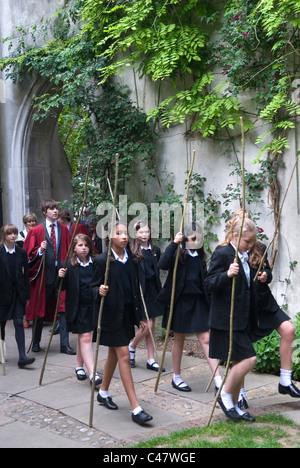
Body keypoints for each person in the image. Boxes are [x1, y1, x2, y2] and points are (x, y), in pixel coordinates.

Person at [225, 210, 300, 408]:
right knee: (241, 353)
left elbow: (267, 269)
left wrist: (265, 275)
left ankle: (285, 380)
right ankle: (239, 394)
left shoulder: (259, 247)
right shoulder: (227, 250)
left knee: (289, 330)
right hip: (244, 307)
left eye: (248, 216)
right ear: (235, 227)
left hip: (264, 302)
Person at [90, 220, 153, 425]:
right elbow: (90, 288)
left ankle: (103, 392)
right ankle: (136, 408)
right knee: (124, 355)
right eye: (119, 233)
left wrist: (141, 316)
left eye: (126, 233)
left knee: (113, 354)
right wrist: (98, 291)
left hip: (126, 315)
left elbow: (137, 290)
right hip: (109, 316)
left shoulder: (133, 260)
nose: (124, 237)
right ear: (109, 237)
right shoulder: (102, 261)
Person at [157, 222, 222, 393]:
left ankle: (218, 379)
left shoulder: (200, 255)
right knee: (179, 339)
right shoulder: (178, 252)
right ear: (185, 237)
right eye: (193, 238)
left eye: (198, 238)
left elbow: (204, 279)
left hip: (198, 302)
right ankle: (176, 377)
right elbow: (161, 265)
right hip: (180, 302)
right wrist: (174, 243)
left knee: (206, 339)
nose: (196, 241)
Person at [205, 217, 259, 422]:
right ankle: (225, 395)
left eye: (253, 241)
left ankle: (235, 406)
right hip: (225, 319)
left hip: (241, 319)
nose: (251, 245)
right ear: (235, 236)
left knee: (239, 360)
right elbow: (208, 283)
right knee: (249, 359)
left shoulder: (244, 254)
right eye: (248, 241)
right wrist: (227, 274)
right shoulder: (223, 253)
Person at [23, 199, 75, 355]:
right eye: (51, 209)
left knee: (63, 309)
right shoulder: (36, 231)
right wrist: (40, 250)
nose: (55, 211)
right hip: (44, 277)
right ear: (44, 212)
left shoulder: (64, 230)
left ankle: (64, 345)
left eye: (56, 208)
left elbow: (68, 251)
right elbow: (27, 255)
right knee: (41, 309)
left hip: (61, 275)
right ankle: (36, 342)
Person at [58, 234, 102, 388]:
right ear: (74, 248)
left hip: (93, 306)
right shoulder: (69, 265)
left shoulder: (96, 264)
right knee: (85, 338)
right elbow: (60, 288)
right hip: (78, 308)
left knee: (84, 338)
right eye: (80, 245)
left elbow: (100, 282)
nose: (83, 248)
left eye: (86, 245)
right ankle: (92, 372)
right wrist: (60, 276)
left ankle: (78, 365)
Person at [128, 221, 164, 372]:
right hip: (141, 292)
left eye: (146, 232)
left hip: (153, 291)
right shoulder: (133, 252)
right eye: (141, 232)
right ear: (136, 234)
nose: (144, 235)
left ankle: (151, 359)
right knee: (146, 325)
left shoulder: (155, 250)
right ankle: (132, 346)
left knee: (152, 326)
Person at [0, 224, 35, 368]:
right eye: (9, 234)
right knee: (1, 324)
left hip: (18, 293)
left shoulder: (21, 253)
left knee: (19, 322)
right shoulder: (0, 252)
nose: (13, 236)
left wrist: (26, 295)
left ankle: (22, 357)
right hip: (2, 294)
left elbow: (25, 275)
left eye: (14, 233)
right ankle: (1, 353)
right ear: (4, 236)